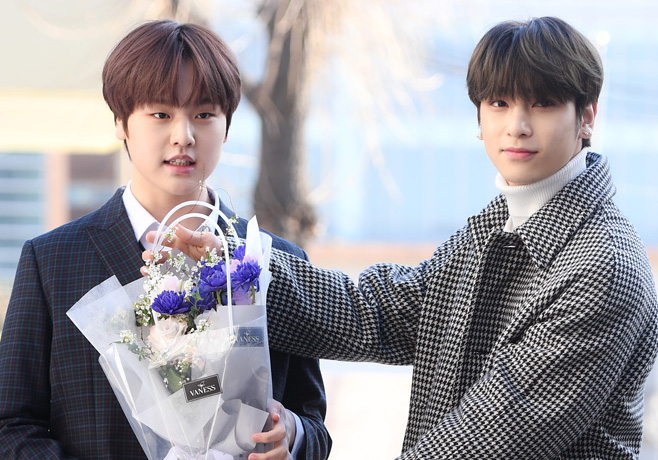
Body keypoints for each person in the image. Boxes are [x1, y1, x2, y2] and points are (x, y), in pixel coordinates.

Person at [158, 17, 658, 459]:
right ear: (479, 118)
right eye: (499, 103)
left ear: (587, 116)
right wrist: (237, 267)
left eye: (544, 104)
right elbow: (376, 313)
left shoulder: (603, 266)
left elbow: (488, 437)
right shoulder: (495, 228)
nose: (517, 126)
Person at [0, 20, 330, 460]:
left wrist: (291, 433)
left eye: (204, 114)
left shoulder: (274, 261)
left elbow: (314, 425)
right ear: (121, 122)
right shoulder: (52, 261)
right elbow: (11, 426)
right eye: (161, 114)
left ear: (227, 125)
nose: (183, 136)